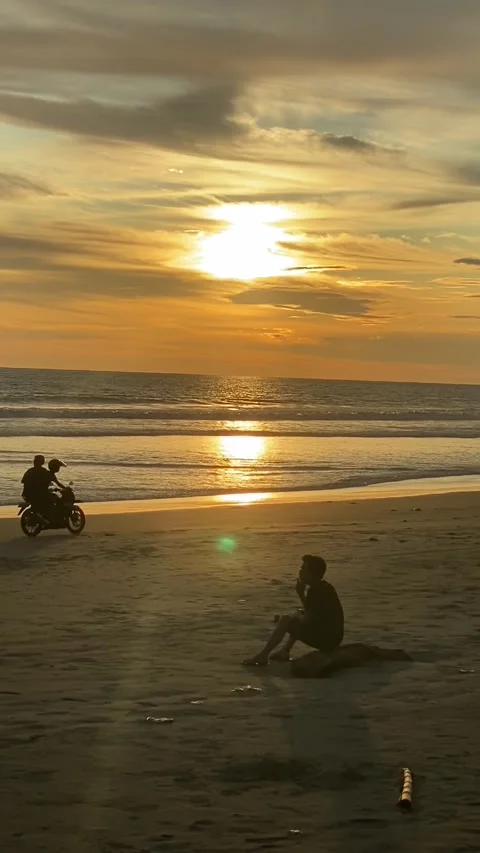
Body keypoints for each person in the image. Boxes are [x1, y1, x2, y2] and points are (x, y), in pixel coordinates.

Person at [243, 554, 344, 667]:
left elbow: (308, 619)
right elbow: (314, 613)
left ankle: (263, 655)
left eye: (303, 569)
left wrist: (300, 596)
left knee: (286, 619)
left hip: (326, 640)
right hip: (334, 638)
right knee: (298, 614)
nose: (300, 571)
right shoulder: (326, 586)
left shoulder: (315, 591)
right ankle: (285, 651)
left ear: (312, 573)